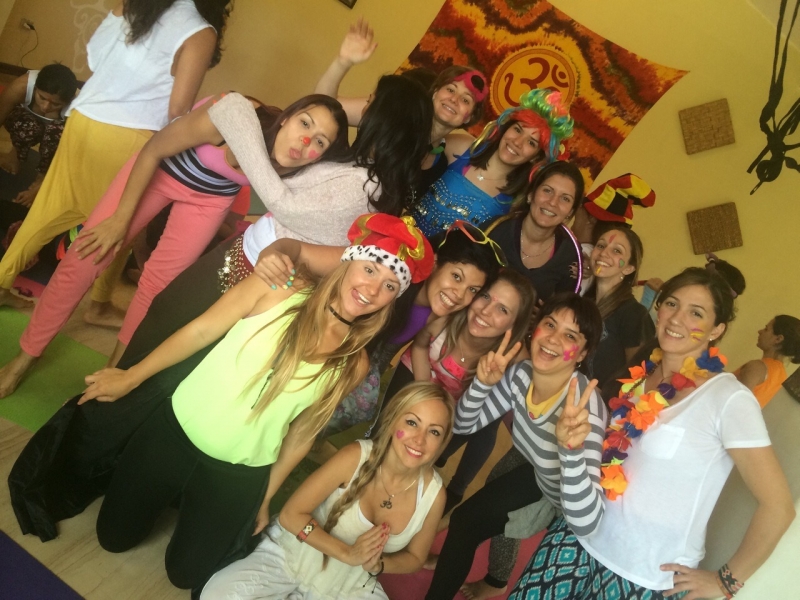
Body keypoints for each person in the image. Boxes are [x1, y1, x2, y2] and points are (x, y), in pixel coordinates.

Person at [11, 214, 434, 588]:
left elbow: (303, 432)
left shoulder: (354, 363)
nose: (372, 288)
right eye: (370, 269)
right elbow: (200, 331)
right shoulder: (279, 288)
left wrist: (263, 498)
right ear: (348, 262)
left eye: (389, 285)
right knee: (113, 539)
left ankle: (191, 503)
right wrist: (130, 376)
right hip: (173, 433)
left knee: (185, 576)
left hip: (238, 472)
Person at [0, 94, 349, 398]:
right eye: (304, 123)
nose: (305, 141)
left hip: (211, 197)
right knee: (88, 255)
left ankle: (113, 373)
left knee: (157, 285)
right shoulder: (231, 117)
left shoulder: (296, 167)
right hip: (159, 170)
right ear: (287, 117)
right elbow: (153, 150)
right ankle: (24, 358)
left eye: (319, 142)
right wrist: (120, 220)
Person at [509, 267, 795, 600]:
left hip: (645, 575)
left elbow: (778, 506)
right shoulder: (638, 381)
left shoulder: (728, 398)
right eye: (671, 303)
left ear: (717, 329)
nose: (677, 318)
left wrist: (725, 582)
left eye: (696, 313)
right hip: (579, 537)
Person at [0, 0, 230, 311]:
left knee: (49, 209)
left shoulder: (134, 6)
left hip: (84, 120)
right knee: (122, 224)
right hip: (131, 136)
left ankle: (3, 280)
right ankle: (98, 304)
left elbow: (95, 56)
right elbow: (178, 110)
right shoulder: (200, 32)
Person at [200, 381, 453, 600]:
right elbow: (291, 516)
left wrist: (379, 564)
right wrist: (348, 553)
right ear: (393, 420)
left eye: (434, 432)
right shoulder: (354, 457)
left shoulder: (433, 495)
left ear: (442, 442)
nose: (420, 440)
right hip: (292, 557)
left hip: (349, 585)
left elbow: (415, 558)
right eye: (412, 422)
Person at [426, 293, 606, 600]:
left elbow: (588, 522)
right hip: (539, 475)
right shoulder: (521, 375)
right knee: (464, 521)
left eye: (570, 336)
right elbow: (465, 425)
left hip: (573, 506)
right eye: (550, 324)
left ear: (583, 353)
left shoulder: (584, 410)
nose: (553, 339)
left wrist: (571, 451)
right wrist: (482, 384)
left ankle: (497, 581)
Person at [254, 220, 505, 439]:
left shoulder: (440, 314)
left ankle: (295, 437)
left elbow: (415, 347)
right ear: (435, 264)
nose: (459, 294)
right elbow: (297, 250)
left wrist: (427, 397)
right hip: (314, 341)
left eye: (473, 290)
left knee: (357, 403)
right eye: (457, 277)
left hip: (357, 364)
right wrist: (272, 253)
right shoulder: (390, 270)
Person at [384, 270, 536, 512]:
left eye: (502, 310)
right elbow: (420, 346)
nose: (486, 311)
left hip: (455, 410)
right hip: (418, 375)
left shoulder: (513, 361)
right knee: (385, 436)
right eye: (485, 296)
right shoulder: (445, 319)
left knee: (418, 456)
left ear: (514, 325)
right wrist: (427, 396)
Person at [314, 18, 488, 196]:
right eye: (450, 89)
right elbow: (322, 107)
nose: (454, 99)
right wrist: (343, 62)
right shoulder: (390, 115)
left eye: (466, 100)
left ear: (469, 117)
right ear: (435, 92)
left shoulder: (442, 162)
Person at [410, 88, 575, 238]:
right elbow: (410, 159)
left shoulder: (516, 201)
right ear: (505, 128)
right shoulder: (461, 146)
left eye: (531, 143)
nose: (517, 142)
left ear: (535, 157)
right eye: (517, 130)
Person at [486, 160, 585, 299]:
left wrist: (547, 310)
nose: (553, 202)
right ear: (531, 194)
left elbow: (566, 305)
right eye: (547, 190)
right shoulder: (495, 228)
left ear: (571, 211)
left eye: (565, 198)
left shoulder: (571, 255)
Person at [584, 226, 654, 390]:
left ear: (629, 268)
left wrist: (603, 395)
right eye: (601, 246)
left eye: (617, 251)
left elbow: (638, 378)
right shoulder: (584, 304)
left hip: (605, 404)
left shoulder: (634, 314)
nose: (604, 253)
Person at [0, 64, 78, 206]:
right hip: (26, 123)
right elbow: (1, 113)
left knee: (55, 133)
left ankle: (41, 177)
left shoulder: (77, 108)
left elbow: (71, 152)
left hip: (55, 133)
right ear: (35, 88)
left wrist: (44, 183)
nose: (46, 107)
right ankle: (14, 156)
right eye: (42, 97)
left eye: (55, 104)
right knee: (29, 127)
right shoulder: (21, 86)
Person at [735, 315, 800, 407]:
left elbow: (735, 403)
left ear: (778, 339)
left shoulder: (757, 368)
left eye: (766, 329)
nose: (760, 331)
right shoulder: (783, 378)